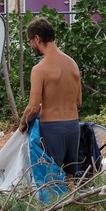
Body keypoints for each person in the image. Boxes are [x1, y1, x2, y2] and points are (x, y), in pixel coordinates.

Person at [19, 17, 81, 172]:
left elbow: (33, 108)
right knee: (69, 179)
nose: (30, 45)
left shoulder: (40, 69)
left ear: (37, 39)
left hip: (53, 129)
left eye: (30, 41)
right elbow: (78, 103)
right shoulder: (72, 64)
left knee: (52, 179)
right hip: (73, 127)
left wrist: (22, 124)